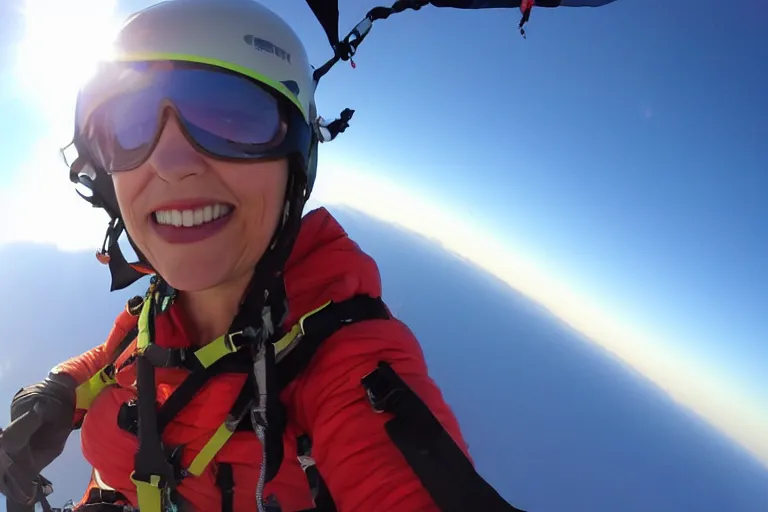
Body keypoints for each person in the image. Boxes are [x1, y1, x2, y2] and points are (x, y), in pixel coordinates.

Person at [0, 1, 522, 511]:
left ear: (296, 164)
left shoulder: (343, 358)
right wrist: (60, 389)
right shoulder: (160, 308)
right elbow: (117, 360)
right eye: (129, 126)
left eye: (232, 116)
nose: (169, 161)